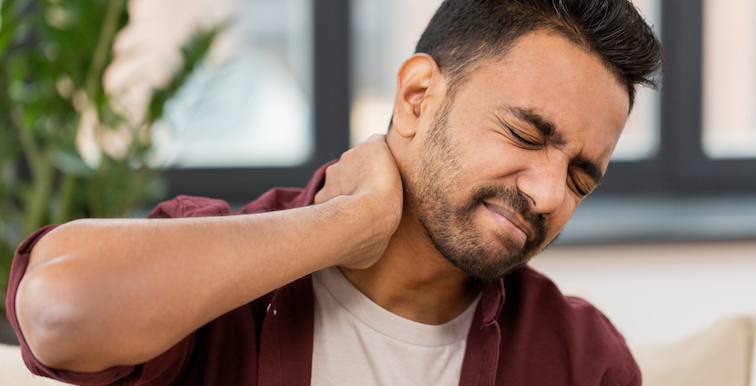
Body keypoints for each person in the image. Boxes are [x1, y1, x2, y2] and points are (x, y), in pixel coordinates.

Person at [7, 0, 663, 385]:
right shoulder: (208, 286)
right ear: (416, 97)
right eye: (524, 135)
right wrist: (348, 222)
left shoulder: (580, 358)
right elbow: (60, 314)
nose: (548, 194)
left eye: (580, 177)